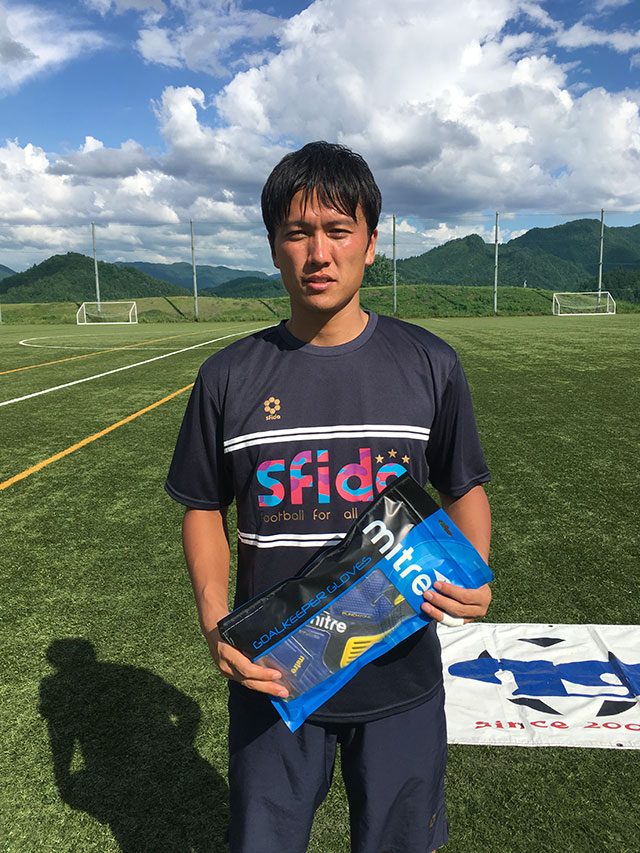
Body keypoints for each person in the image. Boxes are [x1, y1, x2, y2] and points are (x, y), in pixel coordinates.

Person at [165, 141, 492, 853]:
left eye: (339, 230)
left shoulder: (430, 362)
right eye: (298, 232)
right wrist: (215, 620)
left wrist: (473, 571)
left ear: (371, 244)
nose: (319, 253)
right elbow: (202, 504)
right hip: (274, 676)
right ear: (273, 247)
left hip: (400, 674)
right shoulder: (227, 376)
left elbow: (463, 482)